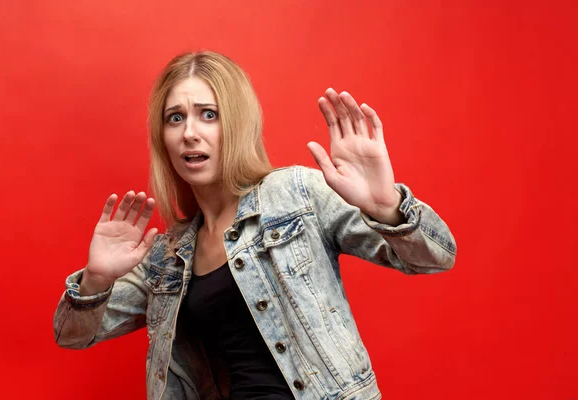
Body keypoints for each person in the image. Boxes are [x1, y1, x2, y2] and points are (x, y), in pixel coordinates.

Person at [54, 51, 456, 400]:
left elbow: (435, 258)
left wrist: (387, 207)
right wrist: (96, 279)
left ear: (237, 124)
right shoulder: (167, 257)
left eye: (208, 115)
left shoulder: (294, 193)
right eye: (175, 118)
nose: (189, 133)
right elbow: (73, 335)